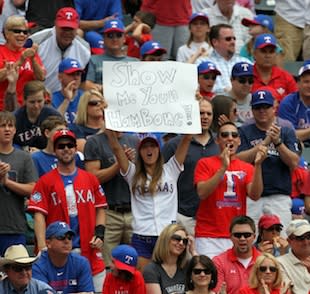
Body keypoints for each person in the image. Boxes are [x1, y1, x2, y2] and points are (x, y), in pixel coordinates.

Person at [27, 129, 108, 292]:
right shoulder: (45, 181)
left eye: (70, 145)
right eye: (61, 146)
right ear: (55, 150)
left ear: (75, 148)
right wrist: (43, 245)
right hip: (58, 252)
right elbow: (39, 214)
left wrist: (99, 234)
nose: (66, 149)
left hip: (89, 250)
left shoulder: (90, 178)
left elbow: (100, 208)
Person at [106, 129, 192, 270]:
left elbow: (187, 139)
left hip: (167, 235)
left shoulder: (171, 169)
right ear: (140, 152)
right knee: (144, 280)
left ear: (159, 150)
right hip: (142, 236)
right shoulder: (132, 173)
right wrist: (109, 130)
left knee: (167, 277)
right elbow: (116, 148)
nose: (149, 150)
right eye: (145, 147)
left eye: (153, 146)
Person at [194, 122, 267, 258]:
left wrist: (258, 165)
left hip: (237, 235)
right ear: (217, 140)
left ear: (239, 141)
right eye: (225, 135)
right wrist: (223, 168)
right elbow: (202, 192)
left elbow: (255, 195)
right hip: (208, 235)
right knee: (209, 276)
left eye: (234, 135)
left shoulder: (247, 167)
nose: (230, 138)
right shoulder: (205, 163)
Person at [237, 89, 300, 233]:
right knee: (250, 240)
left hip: (279, 196)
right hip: (252, 197)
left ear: (274, 108)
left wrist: (278, 142)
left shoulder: (286, 131)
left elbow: (294, 162)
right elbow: (239, 160)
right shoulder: (245, 131)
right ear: (252, 110)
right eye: (258, 107)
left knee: (281, 240)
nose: (262, 111)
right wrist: (264, 143)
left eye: (266, 107)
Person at [162, 98, 220, 236]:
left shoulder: (220, 144)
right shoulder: (174, 145)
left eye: (208, 114)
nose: (205, 117)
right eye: (200, 113)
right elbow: (161, 177)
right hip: (181, 214)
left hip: (212, 215)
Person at [84, 130, 139, 268]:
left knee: (136, 264)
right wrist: (120, 163)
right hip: (109, 213)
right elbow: (93, 178)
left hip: (134, 212)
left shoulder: (134, 141)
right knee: (107, 264)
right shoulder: (95, 142)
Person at [0, 111, 38, 256]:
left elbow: (33, 189)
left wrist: (7, 182)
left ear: (15, 130)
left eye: (10, 126)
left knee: (17, 272)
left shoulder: (24, 158)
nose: (7, 129)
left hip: (14, 227)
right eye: (3, 126)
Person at [29, 7, 90, 94]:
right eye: (64, 28)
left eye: (71, 29)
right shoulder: (37, 41)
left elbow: (82, 82)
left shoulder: (84, 49)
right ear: (55, 25)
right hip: (38, 100)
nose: (67, 33)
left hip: (67, 100)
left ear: (77, 27)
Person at [32, 221, 94, 293]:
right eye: (61, 237)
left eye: (69, 238)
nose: (67, 241)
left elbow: (88, 292)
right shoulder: (37, 266)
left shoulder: (81, 263)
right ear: (48, 243)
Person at [0, 15, 45, 109]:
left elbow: (41, 77)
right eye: (17, 31)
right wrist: (20, 61)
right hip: (3, 108)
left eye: (25, 32)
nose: (22, 35)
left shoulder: (29, 52)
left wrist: (33, 59)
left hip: (27, 109)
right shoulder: (1, 51)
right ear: (6, 34)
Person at [85, 19, 138, 92]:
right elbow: (87, 84)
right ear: (103, 38)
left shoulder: (135, 62)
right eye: (110, 35)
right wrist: (102, 88)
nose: (114, 39)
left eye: (118, 35)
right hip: (102, 100)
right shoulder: (93, 60)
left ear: (124, 38)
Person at [212, 215, 261, 294]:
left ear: (254, 237)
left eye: (247, 235)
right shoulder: (218, 262)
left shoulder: (264, 261)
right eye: (237, 235)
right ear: (230, 237)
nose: (242, 238)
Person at [143, 223, 195, 294]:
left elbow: (207, 272)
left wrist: (193, 251)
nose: (181, 243)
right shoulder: (151, 270)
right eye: (177, 238)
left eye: (185, 241)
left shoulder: (187, 266)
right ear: (166, 239)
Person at [13, 80, 61, 151]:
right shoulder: (15, 118)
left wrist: (42, 153)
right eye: (32, 102)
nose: (36, 106)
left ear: (45, 98)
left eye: (39, 101)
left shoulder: (53, 116)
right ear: (25, 100)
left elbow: (61, 140)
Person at [251, 33, 297, 103]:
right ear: (254, 54)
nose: (267, 55)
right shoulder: (246, 77)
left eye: (271, 52)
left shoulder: (286, 77)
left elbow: (296, 103)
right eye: (263, 51)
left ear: (276, 54)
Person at [207, 24, 251, 94]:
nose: (233, 42)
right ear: (215, 42)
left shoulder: (245, 62)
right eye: (228, 39)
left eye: (234, 38)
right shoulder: (203, 63)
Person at [278, 63, 310, 144]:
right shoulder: (288, 103)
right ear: (298, 84)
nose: (309, 86)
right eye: (306, 82)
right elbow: (287, 135)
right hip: (294, 147)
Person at [277, 219, 310, 293]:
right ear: (289, 241)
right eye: (300, 238)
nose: (306, 242)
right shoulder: (279, 263)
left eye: (309, 236)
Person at [51, 58, 84, 124]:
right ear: (60, 77)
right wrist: (67, 100)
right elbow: (53, 124)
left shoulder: (86, 97)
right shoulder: (52, 99)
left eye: (78, 74)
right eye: (71, 74)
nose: (76, 78)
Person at [227, 62, 253, 127]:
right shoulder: (222, 101)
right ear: (231, 80)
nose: (247, 84)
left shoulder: (256, 100)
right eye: (242, 80)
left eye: (250, 81)